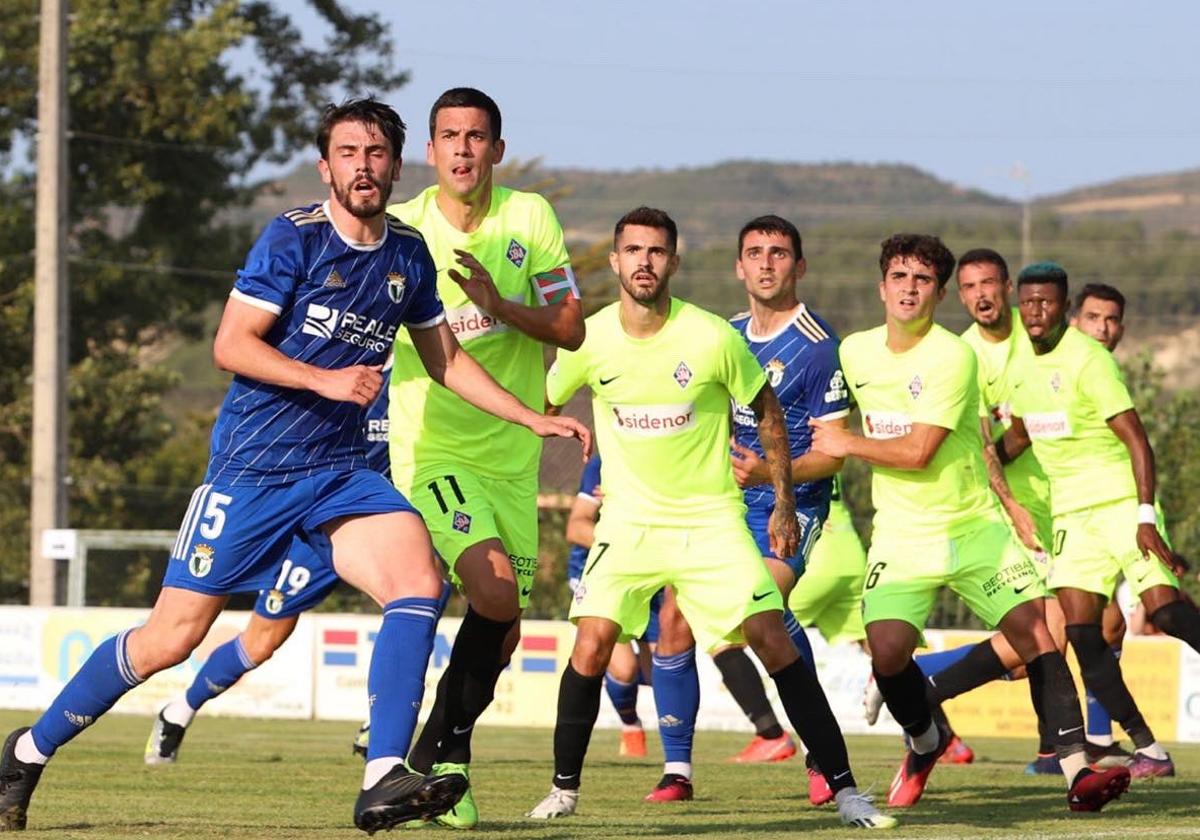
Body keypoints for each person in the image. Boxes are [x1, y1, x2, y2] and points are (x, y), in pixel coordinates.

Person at [0, 97, 589, 835]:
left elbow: (446, 360)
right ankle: (25, 751)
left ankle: (381, 777)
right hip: (254, 470)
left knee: (418, 581)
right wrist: (324, 380)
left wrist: (531, 415)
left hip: (343, 473)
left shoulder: (408, 253)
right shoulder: (292, 240)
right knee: (171, 638)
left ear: (396, 166)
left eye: (376, 154)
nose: (363, 167)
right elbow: (232, 344)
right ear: (326, 167)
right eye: (348, 153)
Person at [525, 207, 894, 829]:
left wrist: (780, 499)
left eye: (657, 251)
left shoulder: (711, 336)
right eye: (633, 250)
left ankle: (847, 789)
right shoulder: (589, 339)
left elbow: (768, 411)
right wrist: (545, 424)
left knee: (771, 637)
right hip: (630, 526)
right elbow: (545, 398)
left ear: (675, 261)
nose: (645, 261)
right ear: (615, 261)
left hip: (710, 522)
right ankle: (564, 790)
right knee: (590, 644)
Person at [810, 234, 1129, 813]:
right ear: (881, 287)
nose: (909, 288)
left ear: (938, 293)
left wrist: (848, 441)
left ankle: (1078, 772)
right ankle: (926, 739)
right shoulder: (852, 352)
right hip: (902, 536)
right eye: (900, 277)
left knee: (1040, 634)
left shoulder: (952, 356)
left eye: (923, 279)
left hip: (973, 528)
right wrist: (767, 473)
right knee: (886, 654)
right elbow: (822, 429)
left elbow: (919, 452)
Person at [384, 87, 585, 829]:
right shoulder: (402, 231)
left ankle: (440, 760)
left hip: (512, 460)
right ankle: (443, 762)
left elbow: (569, 329)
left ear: (497, 149)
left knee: (503, 630)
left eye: (476, 137)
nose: (463, 149)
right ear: (429, 152)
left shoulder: (529, 218)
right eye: (449, 136)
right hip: (432, 449)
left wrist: (500, 306)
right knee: (494, 593)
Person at [643, 214, 855, 807]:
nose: (766, 263)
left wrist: (770, 476)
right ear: (738, 267)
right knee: (674, 618)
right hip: (721, 504)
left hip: (790, 504)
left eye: (780, 253)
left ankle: (819, 753)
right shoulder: (725, 334)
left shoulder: (818, 347)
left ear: (799, 266)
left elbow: (832, 454)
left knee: (762, 608)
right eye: (755, 253)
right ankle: (677, 771)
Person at [143, 361, 424, 765]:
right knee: (262, 641)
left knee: (415, 606)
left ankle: (381, 735)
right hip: (319, 524)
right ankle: (179, 711)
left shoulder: (429, 370)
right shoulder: (350, 364)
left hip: (380, 524)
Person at [999, 261, 1200, 778]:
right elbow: (1017, 438)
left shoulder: (1090, 362)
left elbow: (1137, 438)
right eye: (1028, 302)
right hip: (1071, 518)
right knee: (1085, 636)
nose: (1035, 311)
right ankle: (1150, 751)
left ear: (1064, 307)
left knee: (1167, 614)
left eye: (1046, 302)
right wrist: (975, 463)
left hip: (1119, 506)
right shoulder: (1019, 368)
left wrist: (1145, 514)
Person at [565, 453, 657, 759]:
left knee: (660, 668)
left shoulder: (673, 452)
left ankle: (678, 763)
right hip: (599, 570)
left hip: (654, 568)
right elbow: (576, 527)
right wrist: (622, 543)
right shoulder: (602, 462)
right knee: (624, 667)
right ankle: (631, 726)